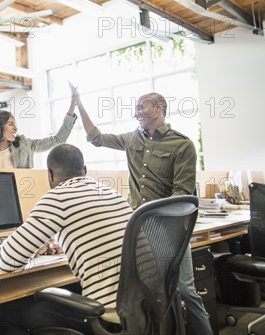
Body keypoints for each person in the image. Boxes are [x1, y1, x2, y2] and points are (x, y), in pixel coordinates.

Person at [75, 90, 213, 335]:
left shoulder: (182, 145)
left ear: (158, 108)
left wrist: (152, 221)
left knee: (186, 292)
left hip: (170, 234)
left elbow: (181, 197)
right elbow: (95, 137)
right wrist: (80, 104)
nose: (136, 112)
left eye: (142, 107)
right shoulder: (131, 139)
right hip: (138, 234)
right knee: (147, 298)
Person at [0, 144, 133, 334]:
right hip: (142, 311)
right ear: (85, 170)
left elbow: (9, 261)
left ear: (50, 174)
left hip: (108, 317)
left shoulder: (58, 198)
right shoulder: (111, 193)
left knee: (0, 309)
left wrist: (27, 246)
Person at [0, 95, 78, 168]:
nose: (15, 128)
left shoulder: (25, 144)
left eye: (15, 124)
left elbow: (57, 140)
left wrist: (72, 108)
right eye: (11, 124)